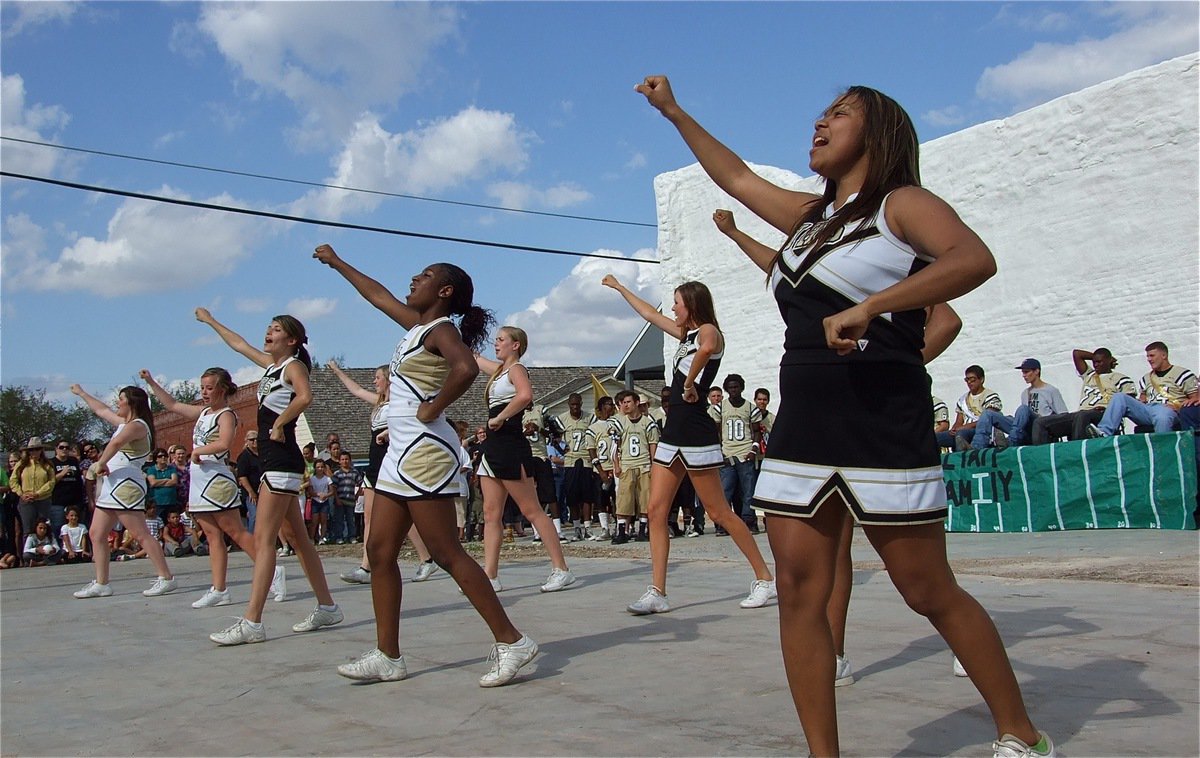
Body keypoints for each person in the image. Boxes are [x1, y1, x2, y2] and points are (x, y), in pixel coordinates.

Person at [641, 74, 1052, 757]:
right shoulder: (809, 218)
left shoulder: (901, 205)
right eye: (821, 112)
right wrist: (674, 111)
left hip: (881, 423)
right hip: (803, 428)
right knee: (801, 593)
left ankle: (1022, 732)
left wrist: (874, 308)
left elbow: (974, 259)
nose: (820, 122)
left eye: (840, 113)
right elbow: (737, 177)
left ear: (879, 132)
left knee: (926, 590)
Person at [314, 243, 539, 687]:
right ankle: (388, 655)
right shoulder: (416, 328)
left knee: (445, 551)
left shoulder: (441, 331)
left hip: (424, 452)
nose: (414, 279)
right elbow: (377, 295)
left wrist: (433, 406)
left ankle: (512, 640)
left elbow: (465, 370)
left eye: (425, 275)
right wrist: (339, 262)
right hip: (400, 451)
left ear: (445, 290)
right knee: (379, 552)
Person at [602, 274, 777, 613]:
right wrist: (621, 288)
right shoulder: (685, 335)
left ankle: (764, 579)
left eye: (677, 303)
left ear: (692, 306)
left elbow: (708, 349)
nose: (672, 308)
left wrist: (692, 380)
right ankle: (657, 591)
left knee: (718, 512)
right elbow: (650, 316)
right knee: (655, 510)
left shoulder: (709, 331)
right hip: (673, 430)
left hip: (695, 429)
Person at [196, 308, 341, 645]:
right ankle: (327, 606)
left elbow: (305, 396)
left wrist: (279, 423)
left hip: (281, 458)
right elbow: (239, 344)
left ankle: (252, 622)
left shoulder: (293, 366)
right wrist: (211, 321)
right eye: (269, 327)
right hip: (274, 462)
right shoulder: (272, 367)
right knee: (300, 540)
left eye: (276, 329)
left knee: (263, 541)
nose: (268, 332)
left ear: (291, 339)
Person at [143, 367, 286, 608]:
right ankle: (219, 589)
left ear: (222, 389)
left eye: (209, 388)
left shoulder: (226, 415)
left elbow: (224, 443)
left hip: (217, 480)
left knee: (236, 532)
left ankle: (272, 572)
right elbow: (173, 404)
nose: (205, 392)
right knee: (211, 535)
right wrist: (151, 382)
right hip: (199, 481)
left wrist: (198, 451)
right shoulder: (203, 412)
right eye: (202, 388)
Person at [474, 326, 576, 593]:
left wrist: (500, 417)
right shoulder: (498, 372)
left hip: (510, 446)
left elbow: (525, 395)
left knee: (532, 510)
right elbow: (473, 357)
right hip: (493, 448)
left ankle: (561, 569)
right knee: (491, 513)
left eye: (501, 340)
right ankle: (491, 575)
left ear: (515, 345)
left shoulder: (516, 369)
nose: (495, 344)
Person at [326, 361, 440, 584]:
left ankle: (427, 559)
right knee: (369, 517)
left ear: (388, 379)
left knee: (404, 518)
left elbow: (415, 417)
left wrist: (388, 431)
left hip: (392, 462)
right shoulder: (379, 402)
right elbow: (357, 390)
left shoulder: (399, 402)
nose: (374, 381)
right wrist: (339, 371)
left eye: (377, 377)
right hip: (374, 464)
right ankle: (365, 568)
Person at [68, 384, 177, 598]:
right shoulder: (124, 424)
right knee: (96, 533)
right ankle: (102, 583)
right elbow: (101, 410)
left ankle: (166, 577)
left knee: (140, 533)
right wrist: (82, 393)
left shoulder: (138, 426)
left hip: (126, 485)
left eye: (121, 398)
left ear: (131, 403)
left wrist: (100, 463)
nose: (117, 403)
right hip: (112, 485)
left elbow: (116, 443)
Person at [1088, 341, 1199, 438]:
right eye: (1147, 356)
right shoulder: (1146, 378)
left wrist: (1178, 406)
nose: (1149, 359)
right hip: (1149, 409)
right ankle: (1104, 432)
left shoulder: (1182, 374)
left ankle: (1162, 448)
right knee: (1119, 397)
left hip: (1169, 409)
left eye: (1152, 356)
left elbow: (1194, 399)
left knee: (1162, 415)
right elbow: (1143, 399)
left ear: (1164, 355)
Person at [1035, 348, 1135, 443]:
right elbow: (1077, 354)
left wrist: (1109, 409)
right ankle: (1041, 456)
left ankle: (1078, 452)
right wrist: (1095, 356)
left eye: (1099, 362)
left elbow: (1129, 401)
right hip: (1082, 413)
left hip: (1103, 413)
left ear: (1108, 360)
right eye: (1094, 362)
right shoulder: (1089, 375)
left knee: (1082, 416)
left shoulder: (1120, 378)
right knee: (1041, 423)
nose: (1096, 365)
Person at [972, 359, 1069, 449]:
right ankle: (977, 446)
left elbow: (1063, 416)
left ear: (1036, 371)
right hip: (1024, 431)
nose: (1024, 375)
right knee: (988, 414)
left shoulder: (1051, 390)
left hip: (1042, 430)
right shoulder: (1025, 393)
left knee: (1023, 409)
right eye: (1023, 372)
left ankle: (1011, 441)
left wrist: (1043, 418)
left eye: (1026, 372)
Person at [609, 390, 659, 544]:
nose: (625, 405)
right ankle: (622, 531)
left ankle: (643, 530)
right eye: (623, 402)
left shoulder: (648, 423)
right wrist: (616, 465)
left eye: (628, 402)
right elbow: (614, 446)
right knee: (624, 499)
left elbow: (653, 445)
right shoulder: (619, 423)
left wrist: (654, 465)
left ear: (637, 403)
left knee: (645, 498)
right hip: (627, 465)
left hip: (644, 465)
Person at [11, 438, 54, 539]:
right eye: (31, 449)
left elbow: (51, 482)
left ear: (41, 450)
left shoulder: (47, 465)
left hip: (43, 500)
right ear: (28, 451)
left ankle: (44, 553)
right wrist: (21, 494)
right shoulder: (21, 464)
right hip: (26, 501)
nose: (34, 452)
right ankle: (28, 553)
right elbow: (13, 480)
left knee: (44, 528)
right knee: (28, 531)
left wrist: (38, 493)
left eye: (37, 449)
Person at [49, 440, 84, 535]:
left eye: (67, 447)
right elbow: (49, 482)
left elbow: (79, 480)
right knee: (58, 528)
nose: (64, 449)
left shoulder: (73, 461)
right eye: (61, 447)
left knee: (75, 528)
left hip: (74, 501)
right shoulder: (51, 463)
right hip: (58, 501)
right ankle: (60, 549)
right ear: (56, 449)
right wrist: (62, 474)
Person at [235, 430, 262, 531]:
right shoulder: (244, 457)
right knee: (254, 516)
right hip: (251, 493)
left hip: (263, 490)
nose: (254, 441)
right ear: (246, 441)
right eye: (251, 439)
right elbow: (242, 476)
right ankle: (252, 542)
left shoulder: (262, 454)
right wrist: (251, 492)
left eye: (256, 439)